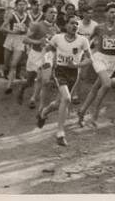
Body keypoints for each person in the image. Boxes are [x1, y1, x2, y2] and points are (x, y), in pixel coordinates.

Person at [36, 15, 92, 145]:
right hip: (60, 71)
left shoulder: (83, 40)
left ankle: (44, 112)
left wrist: (77, 65)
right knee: (67, 99)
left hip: (73, 73)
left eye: (77, 24)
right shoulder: (57, 38)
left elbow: (90, 59)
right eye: (72, 23)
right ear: (66, 25)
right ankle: (60, 133)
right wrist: (44, 62)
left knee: (59, 103)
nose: (74, 26)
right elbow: (46, 50)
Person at [77, 2, 115, 128]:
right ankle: (94, 114)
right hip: (99, 57)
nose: (113, 14)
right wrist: (86, 52)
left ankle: (82, 111)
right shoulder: (99, 28)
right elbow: (87, 41)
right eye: (111, 12)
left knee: (96, 87)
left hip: (112, 60)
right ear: (105, 14)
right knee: (106, 84)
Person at [16, 4, 60, 110]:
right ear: (44, 13)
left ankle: (33, 98)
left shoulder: (56, 28)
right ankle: (22, 88)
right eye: (51, 12)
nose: (53, 15)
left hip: (47, 56)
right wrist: (38, 41)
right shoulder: (37, 25)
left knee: (41, 78)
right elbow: (25, 40)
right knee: (29, 81)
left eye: (55, 13)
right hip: (35, 55)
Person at [70, 4, 99, 104]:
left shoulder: (95, 25)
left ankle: (75, 91)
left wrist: (94, 46)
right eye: (87, 13)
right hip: (77, 51)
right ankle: (74, 95)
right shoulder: (77, 24)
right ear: (83, 14)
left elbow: (97, 39)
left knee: (83, 75)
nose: (90, 15)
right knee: (76, 73)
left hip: (89, 51)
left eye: (91, 13)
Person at [2, 0, 31, 94]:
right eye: (20, 5)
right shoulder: (12, 15)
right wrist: (12, 31)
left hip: (20, 40)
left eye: (23, 5)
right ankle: (6, 70)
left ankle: (8, 86)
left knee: (13, 64)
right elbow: (2, 28)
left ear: (26, 6)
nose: (22, 7)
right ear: (16, 6)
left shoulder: (28, 17)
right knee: (6, 63)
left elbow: (30, 30)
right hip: (10, 38)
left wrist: (26, 30)